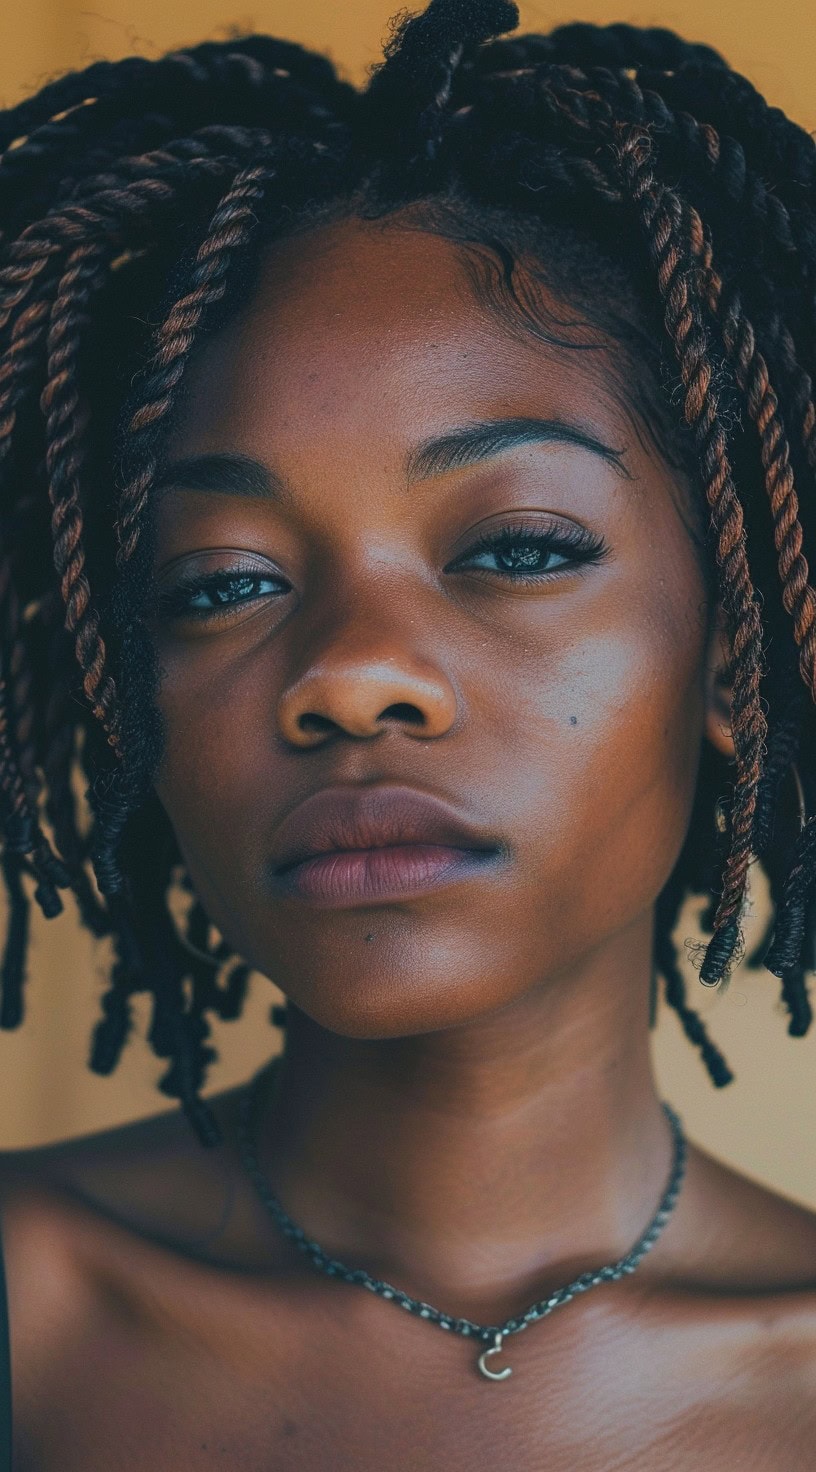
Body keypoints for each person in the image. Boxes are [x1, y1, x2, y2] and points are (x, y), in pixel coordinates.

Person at [0, 0, 815, 1463]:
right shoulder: (31, 1316)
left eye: (514, 549)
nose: (355, 677)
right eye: (223, 583)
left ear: (732, 643)